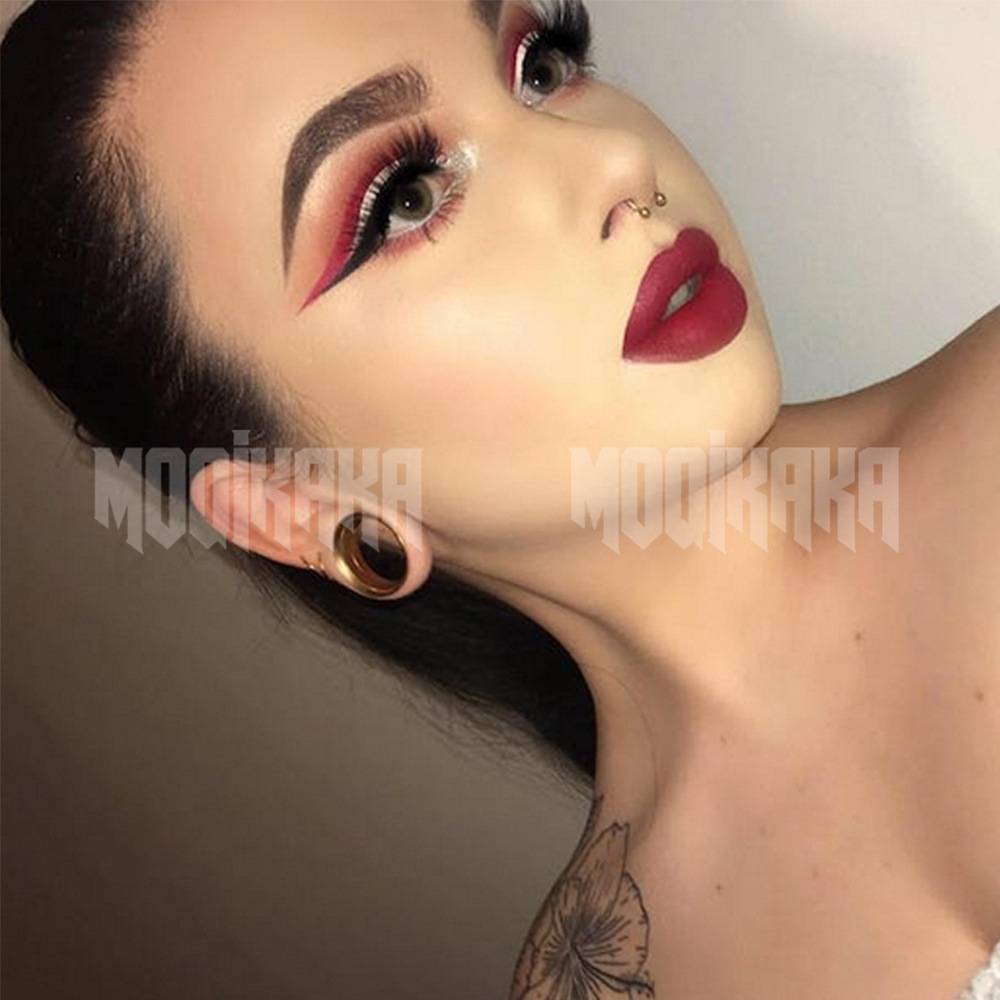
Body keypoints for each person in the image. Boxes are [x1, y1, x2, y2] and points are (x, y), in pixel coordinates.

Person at [2, 2, 997, 997]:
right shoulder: (587, 974)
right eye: (406, 196)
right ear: (291, 506)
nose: (614, 158)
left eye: (540, 65)